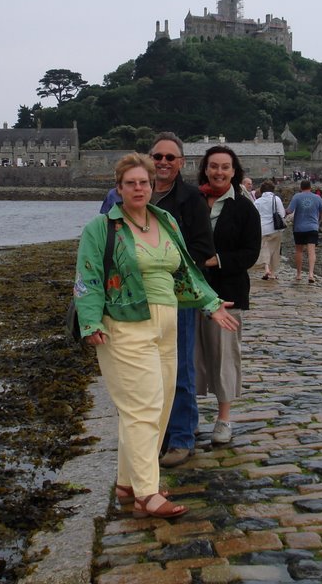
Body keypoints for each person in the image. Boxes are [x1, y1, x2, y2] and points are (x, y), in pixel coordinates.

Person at [74, 153, 238, 519]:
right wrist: (91, 323)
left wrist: (210, 303)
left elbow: (186, 272)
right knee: (142, 408)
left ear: (152, 186)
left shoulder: (165, 222)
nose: (138, 188)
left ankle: (127, 484)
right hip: (125, 323)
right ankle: (147, 493)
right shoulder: (102, 228)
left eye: (143, 182)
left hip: (168, 324)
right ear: (118, 188)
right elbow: (87, 278)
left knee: (159, 407)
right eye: (130, 183)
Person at [148, 132, 217, 468]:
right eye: (157, 156)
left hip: (180, 298)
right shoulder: (135, 193)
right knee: (148, 370)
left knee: (180, 369)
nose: (162, 162)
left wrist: (164, 263)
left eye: (169, 158)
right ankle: (156, 436)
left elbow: (204, 250)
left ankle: (182, 438)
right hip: (139, 298)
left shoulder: (190, 198)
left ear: (181, 163)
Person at [194, 145, 261, 446]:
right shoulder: (193, 201)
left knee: (224, 357)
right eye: (213, 166)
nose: (219, 171)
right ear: (205, 169)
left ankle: (224, 420)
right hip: (190, 292)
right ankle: (189, 417)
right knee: (190, 357)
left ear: (234, 171)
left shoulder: (244, 207)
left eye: (225, 166)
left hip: (228, 293)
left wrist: (216, 260)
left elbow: (251, 253)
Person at [286, 179, 322, 283]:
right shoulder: (317, 198)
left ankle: (298, 274)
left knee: (299, 251)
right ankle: (311, 274)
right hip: (313, 227)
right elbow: (321, 212)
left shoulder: (297, 197)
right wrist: (318, 222)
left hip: (299, 227)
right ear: (310, 187)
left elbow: (289, 211)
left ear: (300, 187)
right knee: (311, 251)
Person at [253, 180, 284, 280]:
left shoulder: (257, 201)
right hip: (275, 229)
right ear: (273, 189)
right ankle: (273, 273)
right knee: (275, 251)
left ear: (261, 190)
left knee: (264, 248)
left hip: (261, 229)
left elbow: (254, 216)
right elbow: (282, 213)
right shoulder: (276, 199)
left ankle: (266, 268)